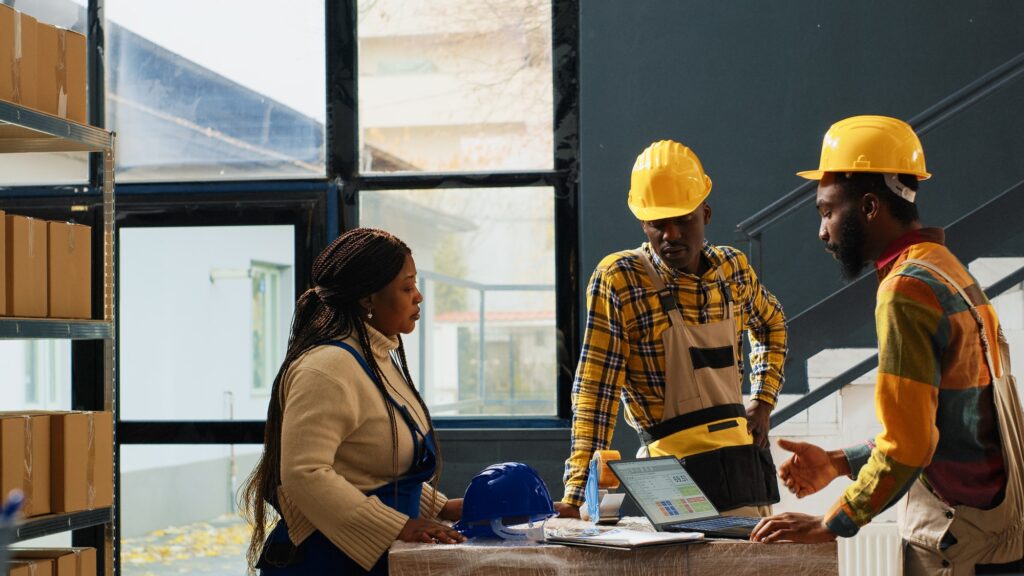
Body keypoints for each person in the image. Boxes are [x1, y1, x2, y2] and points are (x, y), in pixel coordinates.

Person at [751, 115, 1024, 575]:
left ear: (871, 207)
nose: (822, 232)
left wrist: (832, 522)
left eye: (827, 211)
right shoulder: (945, 269)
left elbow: (909, 446)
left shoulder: (906, 290)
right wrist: (838, 461)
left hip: (962, 548)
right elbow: (938, 425)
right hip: (997, 537)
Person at [557, 140, 788, 519]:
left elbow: (773, 323)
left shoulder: (733, 271)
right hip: (671, 480)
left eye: (684, 219)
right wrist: (578, 493)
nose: (672, 234)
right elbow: (595, 393)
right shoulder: (621, 280)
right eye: (658, 224)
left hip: (742, 473)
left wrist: (763, 400)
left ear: (706, 213)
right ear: (642, 223)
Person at [241, 227, 465, 575]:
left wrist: (442, 508)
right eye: (407, 287)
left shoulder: (377, 358)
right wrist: (399, 526)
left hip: (366, 555)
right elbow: (304, 474)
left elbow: (368, 466)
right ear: (367, 299)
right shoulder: (328, 367)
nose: (418, 297)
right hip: (325, 560)